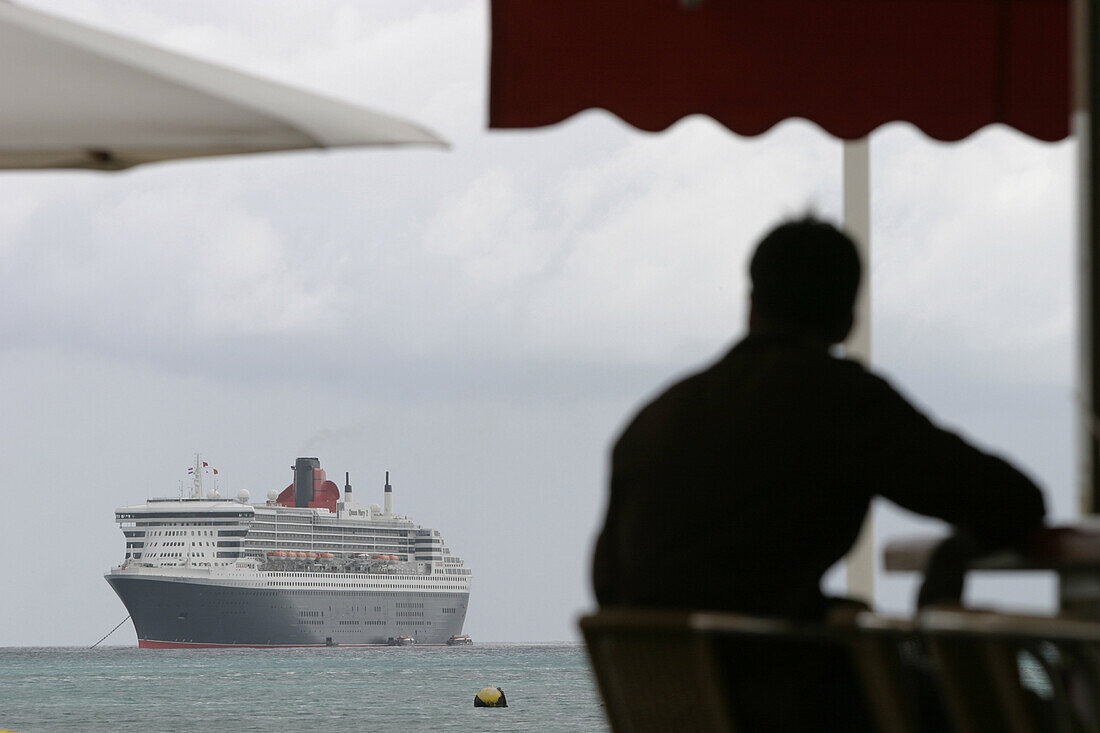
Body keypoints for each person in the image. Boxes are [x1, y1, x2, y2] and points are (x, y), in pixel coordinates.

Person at [591, 216, 1047, 729]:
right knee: (1032, 715)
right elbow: (1013, 500)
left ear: (752, 303)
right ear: (847, 317)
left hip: (672, 711)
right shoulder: (838, 398)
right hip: (793, 705)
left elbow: (608, 581)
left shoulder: (654, 418)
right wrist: (955, 553)